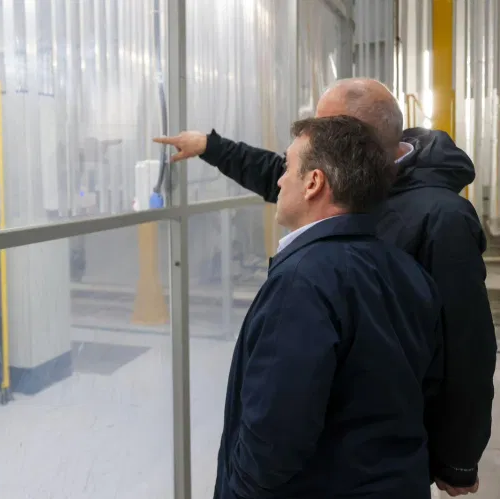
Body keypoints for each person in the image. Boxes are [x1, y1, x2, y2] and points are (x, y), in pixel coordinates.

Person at [155, 78, 497, 496]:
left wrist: (457, 458)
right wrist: (212, 146)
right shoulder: (355, 213)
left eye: (323, 128)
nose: (285, 177)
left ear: (351, 143)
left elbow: (466, 347)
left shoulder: (438, 219)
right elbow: (281, 174)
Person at [210, 115, 443, 498]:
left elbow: (274, 437)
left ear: (314, 182)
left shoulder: (303, 282)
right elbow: (428, 393)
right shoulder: (409, 272)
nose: (280, 180)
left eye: (288, 167)